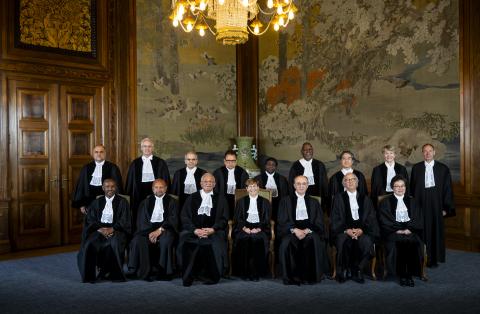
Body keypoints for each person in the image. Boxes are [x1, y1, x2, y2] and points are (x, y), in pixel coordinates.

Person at [178, 173, 228, 286]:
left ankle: (211, 276)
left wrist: (213, 229)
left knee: (215, 243)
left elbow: (224, 219)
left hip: (213, 232)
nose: (208, 183)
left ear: (214, 184)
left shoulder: (221, 199)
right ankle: (189, 275)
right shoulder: (192, 197)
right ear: (201, 183)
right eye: (206, 181)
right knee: (186, 241)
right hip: (193, 231)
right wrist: (194, 230)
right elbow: (184, 217)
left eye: (211, 182)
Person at [278, 175, 330, 285]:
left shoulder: (314, 202)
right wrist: (294, 230)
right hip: (291, 231)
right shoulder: (285, 201)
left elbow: (319, 221)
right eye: (298, 183)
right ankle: (291, 277)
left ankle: (310, 277)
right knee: (287, 242)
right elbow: (282, 220)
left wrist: (307, 230)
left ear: (307, 186)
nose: (301, 186)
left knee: (313, 240)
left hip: (310, 231)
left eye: (304, 184)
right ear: (294, 185)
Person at [77, 179, 131, 283]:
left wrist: (112, 229)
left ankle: (115, 275)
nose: (110, 189)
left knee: (115, 243)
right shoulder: (96, 202)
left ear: (116, 187)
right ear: (103, 188)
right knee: (89, 244)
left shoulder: (122, 202)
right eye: (107, 186)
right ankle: (89, 277)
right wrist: (100, 229)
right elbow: (90, 219)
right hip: (99, 230)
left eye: (112, 186)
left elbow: (125, 220)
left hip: (117, 230)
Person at [410, 143, 455, 267]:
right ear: (422, 153)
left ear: (434, 152)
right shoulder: (416, 168)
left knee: (435, 232)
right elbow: (412, 190)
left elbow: (448, 190)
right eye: (425, 151)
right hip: (420, 206)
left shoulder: (443, 169)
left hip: (436, 207)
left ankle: (433, 259)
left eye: (430, 151)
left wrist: (446, 209)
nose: (428, 153)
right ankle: (420, 258)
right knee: (421, 231)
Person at [330, 173, 379, 284]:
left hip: (362, 230)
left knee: (367, 242)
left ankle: (358, 269)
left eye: (353, 179)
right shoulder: (338, 198)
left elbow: (371, 218)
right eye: (347, 180)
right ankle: (343, 270)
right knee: (342, 240)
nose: (350, 182)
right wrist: (346, 230)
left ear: (357, 183)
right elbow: (335, 218)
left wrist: (361, 230)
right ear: (344, 184)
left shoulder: (365, 199)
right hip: (343, 230)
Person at [127, 179, 178, 281]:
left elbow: (173, 219)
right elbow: (141, 220)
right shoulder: (145, 203)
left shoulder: (173, 202)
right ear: (152, 188)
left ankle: (163, 272)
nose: (158, 190)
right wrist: (150, 232)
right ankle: (143, 271)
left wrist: (160, 230)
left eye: (161, 187)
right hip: (147, 230)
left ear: (166, 189)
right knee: (137, 240)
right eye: (156, 187)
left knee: (166, 240)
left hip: (166, 229)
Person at [378, 175, 424, 287]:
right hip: (393, 233)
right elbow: (384, 220)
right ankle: (403, 275)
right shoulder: (385, 202)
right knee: (401, 242)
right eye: (397, 186)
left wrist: (410, 229)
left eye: (402, 186)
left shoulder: (412, 201)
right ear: (392, 188)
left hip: (410, 232)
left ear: (405, 187)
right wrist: (398, 230)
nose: (400, 188)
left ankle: (409, 274)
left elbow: (418, 218)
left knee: (411, 241)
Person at [125, 138, 170, 228]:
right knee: (140, 215)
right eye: (145, 146)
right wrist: (128, 196)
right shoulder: (135, 163)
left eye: (149, 146)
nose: (147, 148)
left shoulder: (160, 162)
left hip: (157, 192)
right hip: (138, 194)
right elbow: (130, 182)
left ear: (152, 148)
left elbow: (165, 181)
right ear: (141, 148)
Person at [232, 178, 271, 280]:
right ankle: (244, 272)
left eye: (255, 186)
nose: (252, 188)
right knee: (244, 239)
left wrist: (258, 229)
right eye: (250, 186)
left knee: (257, 240)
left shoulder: (265, 202)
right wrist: (244, 228)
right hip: (244, 228)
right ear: (247, 189)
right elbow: (237, 218)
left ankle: (256, 273)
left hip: (260, 228)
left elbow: (266, 219)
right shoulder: (241, 201)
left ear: (258, 188)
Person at [71, 145, 123, 215]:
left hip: (107, 201)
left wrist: (115, 203)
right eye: (96, 152)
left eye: (101, 152)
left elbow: (117, 187)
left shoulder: (113, 167)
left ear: (105, 154)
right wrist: (82, 204)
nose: (99, 154)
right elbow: (81, 187)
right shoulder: (86, 168)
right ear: (93, 154)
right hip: (89, 202)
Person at [213, 150, 249, 220]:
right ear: (224, 161)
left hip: (238, 201)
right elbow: (215, 189)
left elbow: (246, 190)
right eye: (228, 161)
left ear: (236, 161)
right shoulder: (218, 172)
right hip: (222, 201)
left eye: (233, 161)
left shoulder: (242, 172)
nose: (230, 163)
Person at [254, 157, 289, 222]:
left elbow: (285, 193)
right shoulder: (257, 178)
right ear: (265, 166)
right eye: (268, 164)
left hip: (278, 204)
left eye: (273, 165)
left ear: (276, 167)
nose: (271, 166)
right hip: (263, 204)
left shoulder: (282, 179)